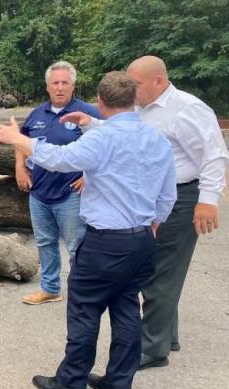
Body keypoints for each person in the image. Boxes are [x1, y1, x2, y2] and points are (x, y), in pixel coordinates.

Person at [0, 71, 177, 389]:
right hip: (141, 241)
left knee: (84, 309)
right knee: (125, 308)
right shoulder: (156, 139)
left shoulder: (101, 140)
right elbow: (167, 194)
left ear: (100, 102)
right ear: (133, 100)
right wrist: (153, 225)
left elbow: (61, 160)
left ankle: (72, 381)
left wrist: (18, 139)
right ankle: (120, 382)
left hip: (105, 243)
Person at [61, 56, 229, 369]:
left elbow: (214, 155)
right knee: (156, 267)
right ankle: (166, 334)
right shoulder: (142, 108)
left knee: (161, 274)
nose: (131, 89)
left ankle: (152, 349)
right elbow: (129, 134)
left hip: (180, 197)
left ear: (159, 81)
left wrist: (207, 200)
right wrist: (92, 123)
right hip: (153, 198)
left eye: (135, 83)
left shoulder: (187, 108)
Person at [15, 61, 101, 305]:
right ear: (47, 87)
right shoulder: (37, 114)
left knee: (77, 245)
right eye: (56, 83)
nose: (60, 87)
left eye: (65, 83)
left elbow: (108, 146)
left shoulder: (88, 113)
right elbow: (21, 140)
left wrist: (88, 176)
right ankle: (50, 288)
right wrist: (20, 166)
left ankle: (81, 292)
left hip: (70, 193)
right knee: (45, 242)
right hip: (39, 191)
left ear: (73, 86)